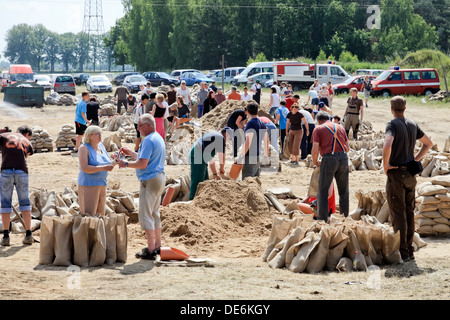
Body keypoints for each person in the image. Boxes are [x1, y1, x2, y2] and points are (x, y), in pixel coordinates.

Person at [382, 96, 433, 261]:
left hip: (396, 173)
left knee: (398, 213)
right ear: (405, 108)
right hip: (411, 175)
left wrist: (385, 165)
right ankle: (409, 251)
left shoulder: (392, 125)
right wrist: (415, 160)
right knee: (409, 212)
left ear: (392, 109)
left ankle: (402, 252)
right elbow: (428, 143)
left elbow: (388, 144)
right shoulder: (412, 124)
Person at [118, 114, 166, 260]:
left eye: (139, 126)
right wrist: (131, 153)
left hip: (150, 180)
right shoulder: (157, 137)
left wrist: (125, 164)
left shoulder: (148, 140)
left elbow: (142, 164)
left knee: (146, 215)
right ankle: (157, 245)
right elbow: (143, 157)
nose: (138, 129)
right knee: (155, 213)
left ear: (147, 125)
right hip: (159, 178)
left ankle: (150, 249)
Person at [311, 111, 350, 221]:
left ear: (319, 121)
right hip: (343, 158)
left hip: (329, 158)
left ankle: (322, 219)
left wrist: (315, 161)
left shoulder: (318, 129)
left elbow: (315, 148)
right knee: (344, 191)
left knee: (323, 191)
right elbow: (347, 148)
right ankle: (344, 217)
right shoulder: (340, 127)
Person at [0, 126, 34, 246]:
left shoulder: (5, 136)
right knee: (25, 202)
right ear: (26, 134)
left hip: (6, 171)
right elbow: (25, 157)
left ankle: (5, 236)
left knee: (5, 203)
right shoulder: (26, 141)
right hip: (22, 172)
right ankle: (29, 234)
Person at [78, 126, 115, 216]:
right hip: (89, 185)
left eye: (100, 133)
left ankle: (98, 230)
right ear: (89, 136)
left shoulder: (101, 147)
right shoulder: (84, 148)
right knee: (89, 214)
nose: (100, 135)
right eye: (97, 133)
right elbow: (84, 168)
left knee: (100, 214)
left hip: (102, 184)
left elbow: (108, 164)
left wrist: (116, 161)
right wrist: (103, 168)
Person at [189, 127, 231, 200]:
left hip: (198, 153)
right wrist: (221, 169)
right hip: (198, 154)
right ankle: (192, 201)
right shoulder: (221, 138)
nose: (228, 140)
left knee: (205, 180)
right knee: (197, 181)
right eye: (229, 138)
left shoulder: (214, 136)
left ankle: (202, 200)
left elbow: (211, 159)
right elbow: (222, 156)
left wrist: (215, 174)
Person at [238, 102, 269, 179]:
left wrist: (241, 156)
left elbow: (248, 142)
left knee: (247, 182)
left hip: (250, 157)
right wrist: (266, 155)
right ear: (257, 111)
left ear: (247, 112)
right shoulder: (262, 123)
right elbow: (266, 140)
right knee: (255, 182)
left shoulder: (250, 123)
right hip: (258, 156)